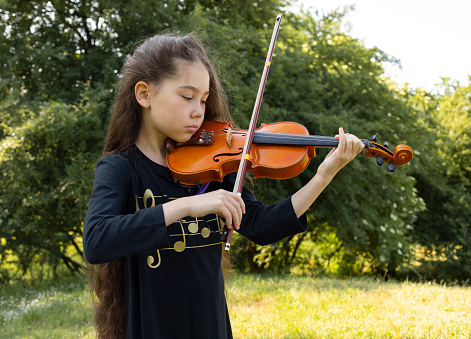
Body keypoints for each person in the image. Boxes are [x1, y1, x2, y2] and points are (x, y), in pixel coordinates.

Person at [83, 33, 364, 339]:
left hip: (210, 325)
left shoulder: (212, 162)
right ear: (144, 94)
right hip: (155, 326)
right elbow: (97, 241)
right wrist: (188, 205)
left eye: (203, 100)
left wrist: (324, 175)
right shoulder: (121, 167)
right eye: (187, 96)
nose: (198, 111)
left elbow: (261, 225)